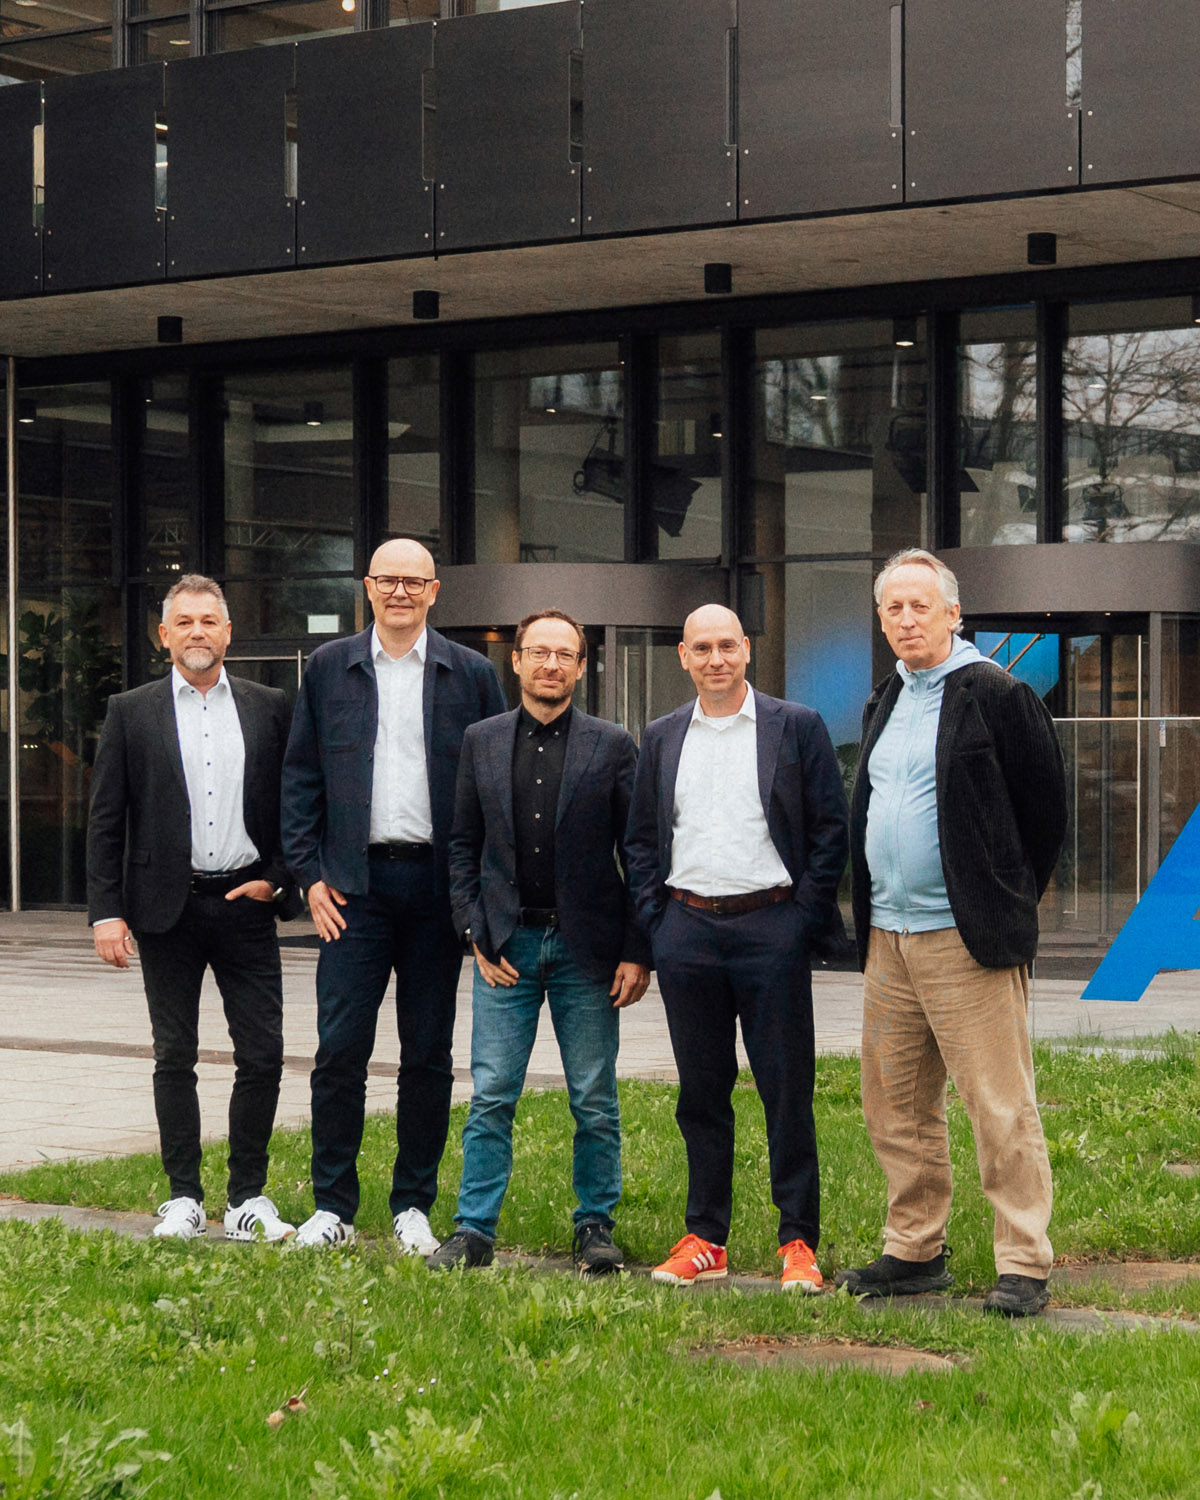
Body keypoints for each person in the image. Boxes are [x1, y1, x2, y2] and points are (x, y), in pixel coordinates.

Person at [836, 548, 1067, 1318]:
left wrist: (1002, 900)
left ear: (953, 613)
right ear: (881, 619)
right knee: (895, 1106)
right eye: (893, 608)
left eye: (920, 605)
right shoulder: (885, 699)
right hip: (889, 940)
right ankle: (914, 1250)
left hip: (966, 941)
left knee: (999, 1106)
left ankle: (1024, 1262)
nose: (906, 619)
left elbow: (1044, 815)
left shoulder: (998, 694)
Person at [282, 537, 505, 1250]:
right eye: (388, 580)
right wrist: (309, 876)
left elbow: (494, 785)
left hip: (438, 891)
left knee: (428, 1053)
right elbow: (299, 778)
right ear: (368, 588)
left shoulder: (472, 674)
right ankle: (332, 1208)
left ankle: (413, 1204)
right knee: (339, 1049)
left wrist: (478, 895)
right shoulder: (328, 667)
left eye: (414, 581)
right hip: (353, 890)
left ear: (434, 592)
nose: (400, 592)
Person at [625, 604, 848, 1291]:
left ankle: (798, 1242)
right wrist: (658, 923)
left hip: (771, 927)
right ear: (683, 657)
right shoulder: (662, 736)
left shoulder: (796, 726)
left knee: (786, 1090)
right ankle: (706, 1239)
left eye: (727, 645)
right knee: (701, 1093)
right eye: (702, 648)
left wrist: (801, 919)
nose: (716, 659)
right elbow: (641, 839)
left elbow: (830, 830)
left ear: (747, 649)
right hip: (687, 931)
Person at [430, 610, 651, 1274]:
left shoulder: (612, 745)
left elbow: (639, 853)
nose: (551, 664)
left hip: (589, 951)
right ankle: (474, 1231)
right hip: (507, 947)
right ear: (517, 660)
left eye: (565, 655)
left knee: (593, 1097)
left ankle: (595, 1225)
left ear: (582, 667)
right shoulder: (482, 740)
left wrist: (637, 950)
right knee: (492, 1093)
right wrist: (473, 929)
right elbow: (463, 845)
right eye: (539, 652)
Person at [86, 575, 300, 1242]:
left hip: (245, 904)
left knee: (262, 1054)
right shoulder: (131, 711)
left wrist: (278, 882)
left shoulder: (271, 707)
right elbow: (105, 819)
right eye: (184, 622)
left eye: (209, 621)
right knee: (173, 1055)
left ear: (228, 633)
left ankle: (247, 1200)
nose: (198, 632)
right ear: (164, 635)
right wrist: (105, 911)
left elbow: (297, 805)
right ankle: (182, 1197)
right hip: (165, 910)